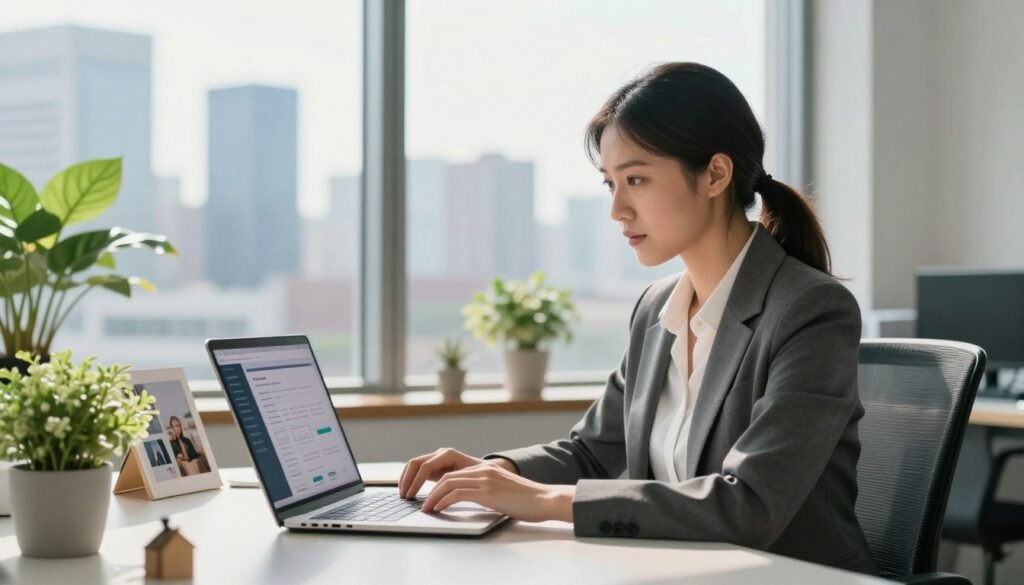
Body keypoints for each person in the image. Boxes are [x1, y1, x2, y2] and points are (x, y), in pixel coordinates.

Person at [398, 62, 876, 574]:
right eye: (610, 183)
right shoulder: (656, 309)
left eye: (637, 179)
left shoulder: (810, 311)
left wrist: (544, 500)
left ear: (715, 174)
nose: (617, 209)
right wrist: (496, 472)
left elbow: (750, 505)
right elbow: (591, 451)